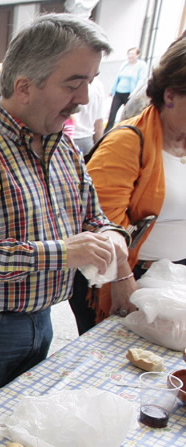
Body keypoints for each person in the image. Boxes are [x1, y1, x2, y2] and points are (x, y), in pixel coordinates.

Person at [0, 13, 128, 428]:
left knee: (22, 426)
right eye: (74, 83)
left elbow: (93, 216)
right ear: (24, 86)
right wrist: (63, 252)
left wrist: (113, 241)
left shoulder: (63, 145)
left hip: (41, 317)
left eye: (90, 81)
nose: (85, 97)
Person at [70, 35, 186, 332]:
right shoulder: (128, 141)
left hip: (175, 278)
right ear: (171, 95)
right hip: (130, 276)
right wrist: (122, 276)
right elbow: (100, 221)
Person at [105, 47, 149, 132]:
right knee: (112, 113)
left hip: (130, 94)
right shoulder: (125, 64)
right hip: (119, 92)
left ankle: (125, 131)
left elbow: (141, 80)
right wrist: (112, 90)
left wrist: (134, 92)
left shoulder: (141, 65)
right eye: (129, 54)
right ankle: (107, 132)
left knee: (128, 114)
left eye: (132, 54)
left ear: (138, 55)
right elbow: (117, 77)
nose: (130, 56)